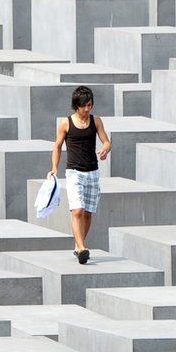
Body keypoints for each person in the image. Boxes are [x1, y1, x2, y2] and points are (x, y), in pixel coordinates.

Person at [49, 86, 111, 264]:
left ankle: (78, 246)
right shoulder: (66, 123)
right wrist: (54, 167)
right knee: (77, 210)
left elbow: (106, 142)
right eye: (83, 106)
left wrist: (105, 150)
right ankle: (82, 247)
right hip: (74, 172)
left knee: (88, 213)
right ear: (76, 105)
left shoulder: (96, 121)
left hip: (93, 172)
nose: (87, 109)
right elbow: (57, 146)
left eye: (90, 105)